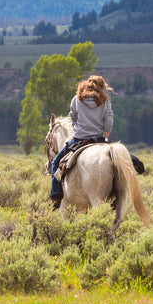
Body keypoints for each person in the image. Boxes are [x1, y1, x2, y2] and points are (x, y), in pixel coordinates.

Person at [49, 75, 114, 208]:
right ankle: (118, 196)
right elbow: (109, 121)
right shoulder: (105, 101)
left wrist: (78, 130)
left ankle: (56, 196)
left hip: (79, 139)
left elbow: (72, 117)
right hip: (99, 139)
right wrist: (105, 137)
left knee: (56, 162)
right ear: (101, 88)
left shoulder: (76, 99)